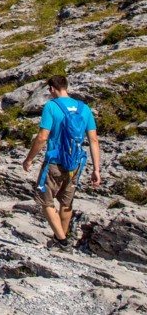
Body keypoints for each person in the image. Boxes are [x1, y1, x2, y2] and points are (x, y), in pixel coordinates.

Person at [22, 74, 101, 248]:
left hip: (54, 161)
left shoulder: (51, 106)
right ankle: (62, 238)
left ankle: (61, 239)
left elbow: (42, 137)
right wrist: (96, 169)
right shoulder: (84, 108)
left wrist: (29, 159)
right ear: (66, 86)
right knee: (66, 203)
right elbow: (94, 140)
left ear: (51, 89)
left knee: (45, 200)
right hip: (75, 164)